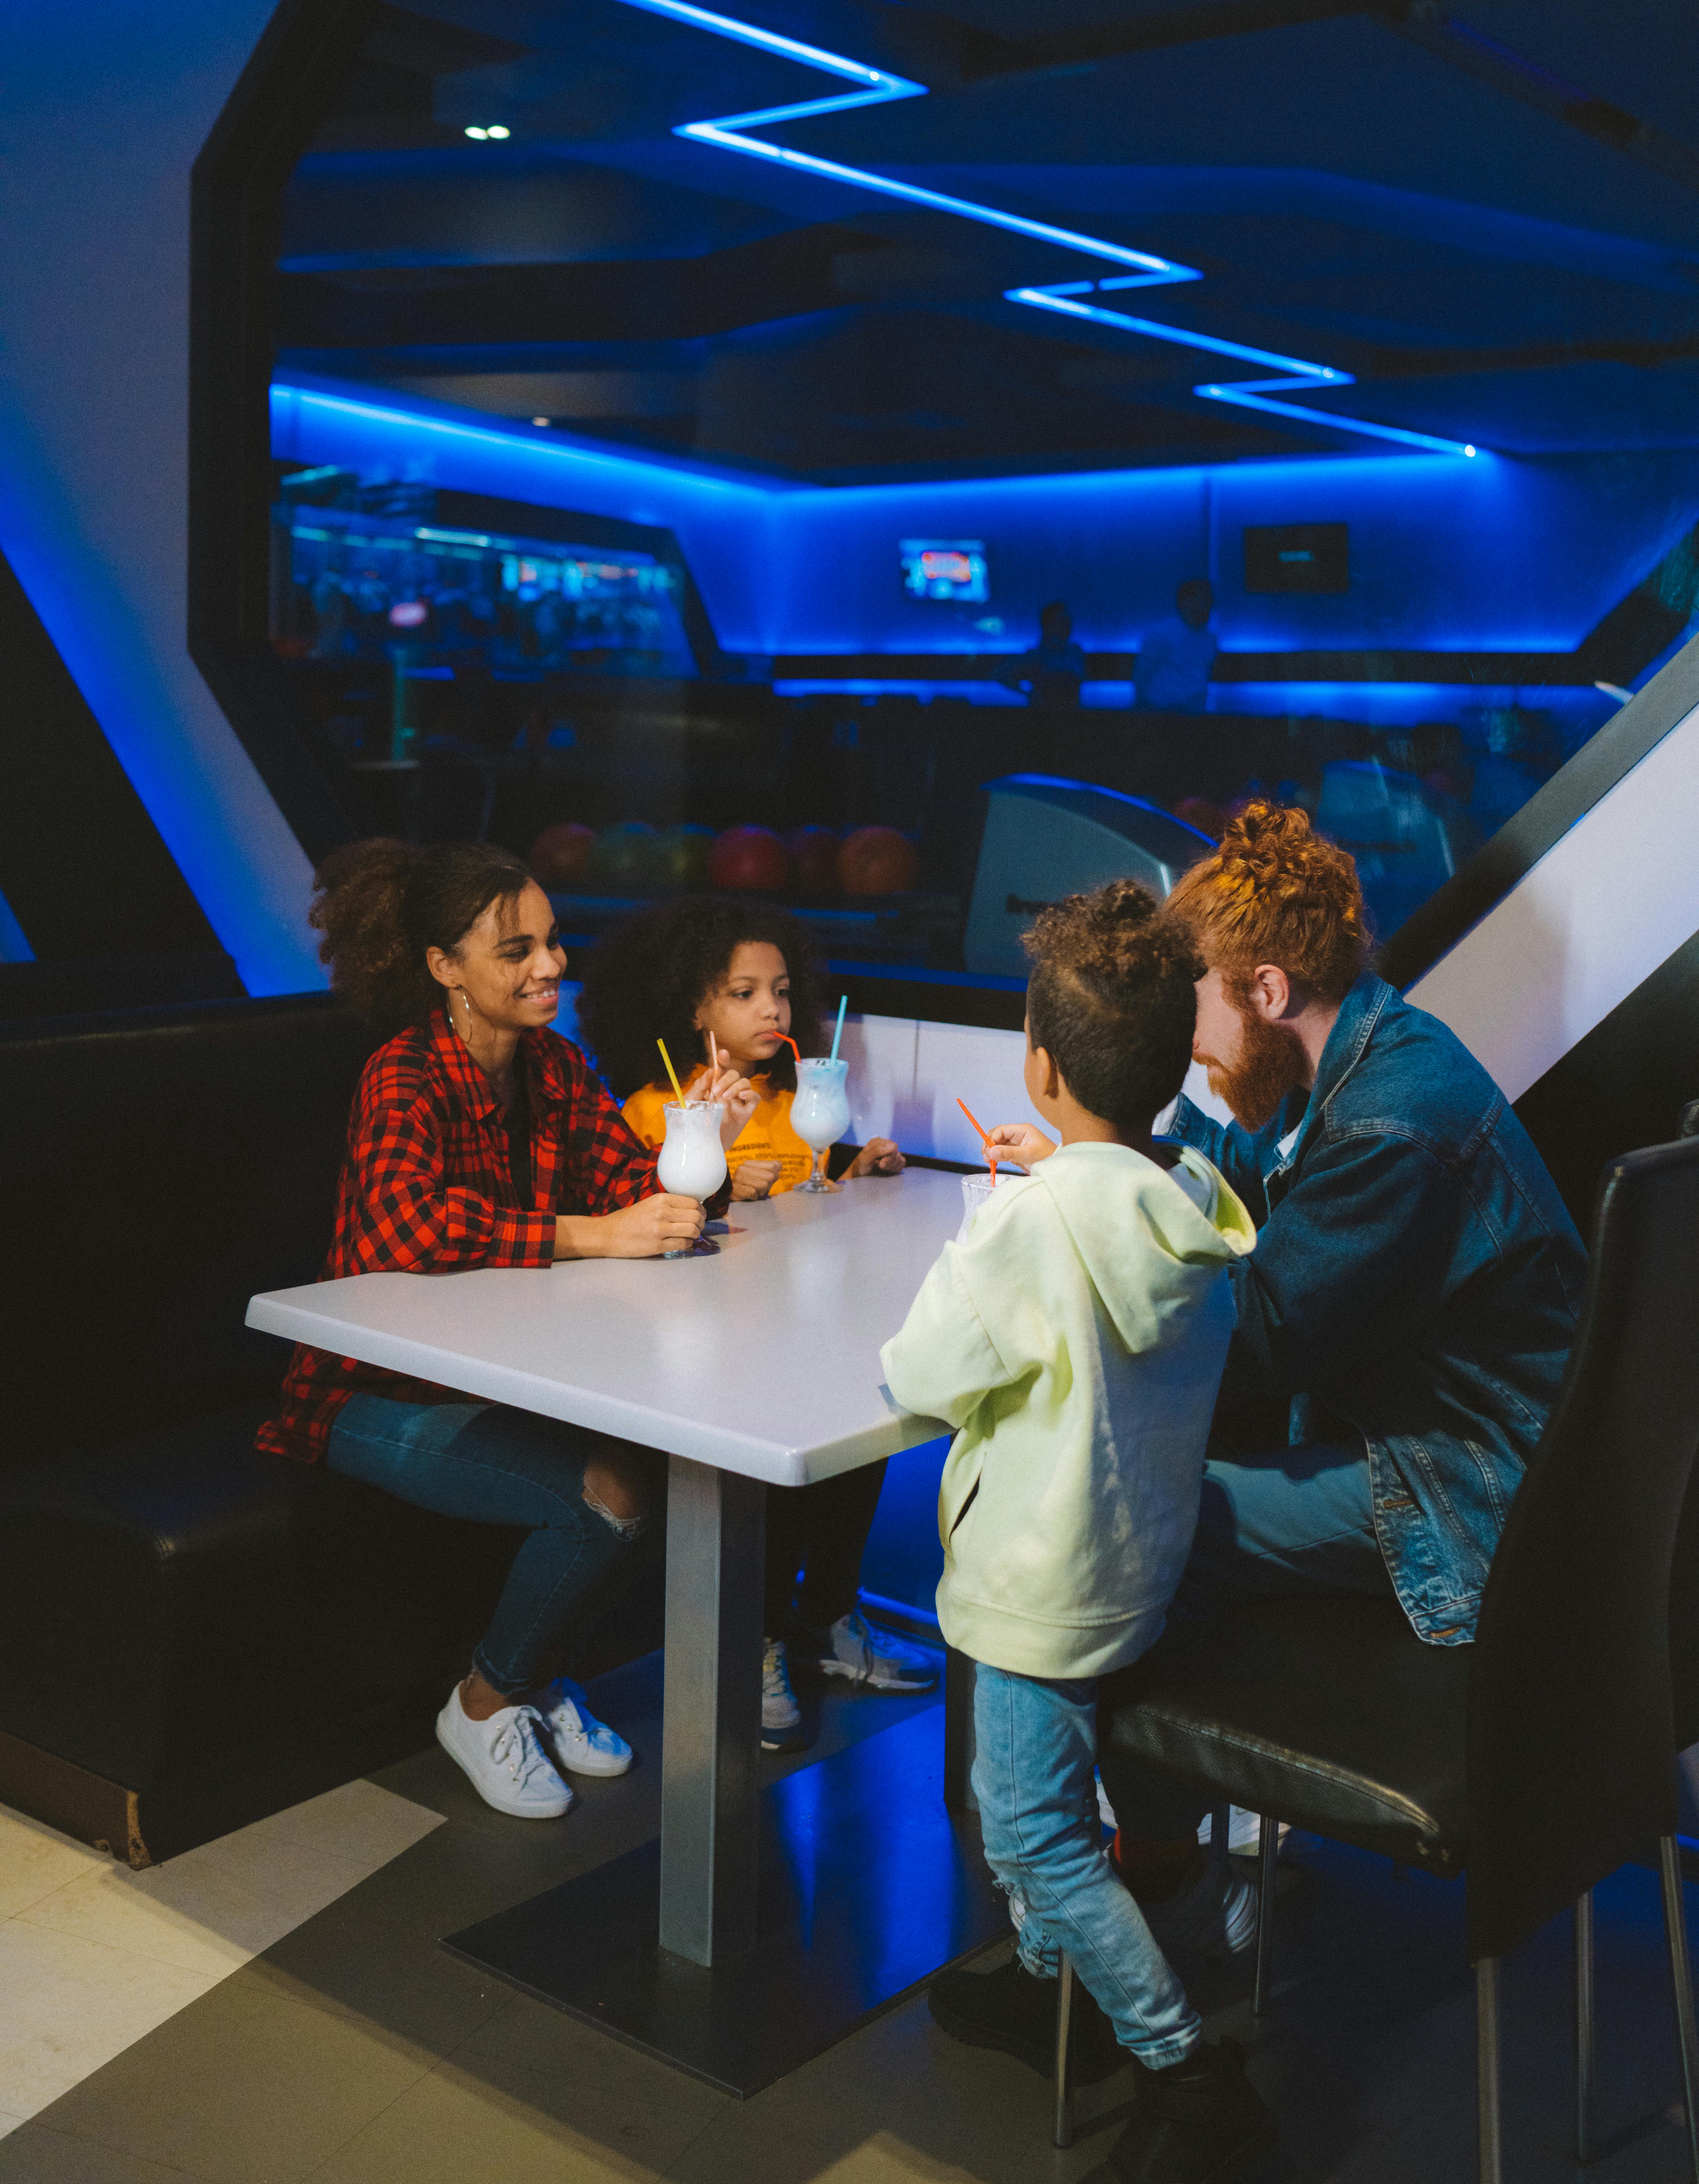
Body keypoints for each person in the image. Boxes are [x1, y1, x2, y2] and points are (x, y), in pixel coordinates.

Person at [992, 803, 1585, 1961]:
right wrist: (1121, 1150)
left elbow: (1256, 1339)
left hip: (1466, 1503)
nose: (1187, 1043)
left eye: (1195, 1006)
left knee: (1121, 1523)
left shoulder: (1391, 1126)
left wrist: (1087, 1251)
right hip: (1502, 1468)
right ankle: (1175, 1850)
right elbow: (1266, 1170)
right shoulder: (1378, 1049)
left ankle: (1147, 1877)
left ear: (1265, 988)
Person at [882, 882, 1274, 2184]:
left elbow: (924, 1374)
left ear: (1038, 1066)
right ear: (1165, 1068)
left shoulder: (1030, 1223)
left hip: (1037, 1593)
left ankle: (1176, 2058)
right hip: (1138, 1568)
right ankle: (1059, 1986)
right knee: (1032, 1810)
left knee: (1032, 1829)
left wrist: (991, 1227)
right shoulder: (1193, 1207)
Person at [255, 837, 750, 1822]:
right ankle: (484, 1700)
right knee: (608, 1494)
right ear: (445, 969)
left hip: (496, 1377)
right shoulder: (405, 1075)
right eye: (515, 949)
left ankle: (533, 1677)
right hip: (364, 1391)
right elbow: (406, 1224)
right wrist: (589, 1235)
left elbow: (628, 1187)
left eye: (553, 942)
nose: (550, 966)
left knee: (680, 1459)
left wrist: (700, 1146)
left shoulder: (555, 1066)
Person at [576, 896, 933, 1752]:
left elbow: (812, 1171)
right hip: (700, 1343)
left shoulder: (788, 1099)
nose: (773, 1008)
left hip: (787, 1321)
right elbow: (650, 1209)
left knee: (867, 1424)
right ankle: (761, 1640)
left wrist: (854, 1162)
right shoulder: (657, 1109)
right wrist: (729, 1168)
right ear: (692, 1009)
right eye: (744, 993)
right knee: (777, 1453)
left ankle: (826, 1617)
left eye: (780, 990)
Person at [1135, 578, 1217, 713]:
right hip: (1160, 714)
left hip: (1196, 712)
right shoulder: (1160, 634)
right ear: (1185, 602)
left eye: (1210, 600)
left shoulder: (1210, 640)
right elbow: (1143, 675)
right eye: (1204, 600)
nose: (1210, 605)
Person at [1018, 599, 1088, 708]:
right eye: (1062, 623)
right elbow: (1001, 673)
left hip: (1072, 717)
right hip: (1043, 718)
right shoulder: (1036, 655)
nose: (1068, 628)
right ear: (1048, 626)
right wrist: (1029, 694)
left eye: (1068, 623)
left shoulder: (1076, 652)